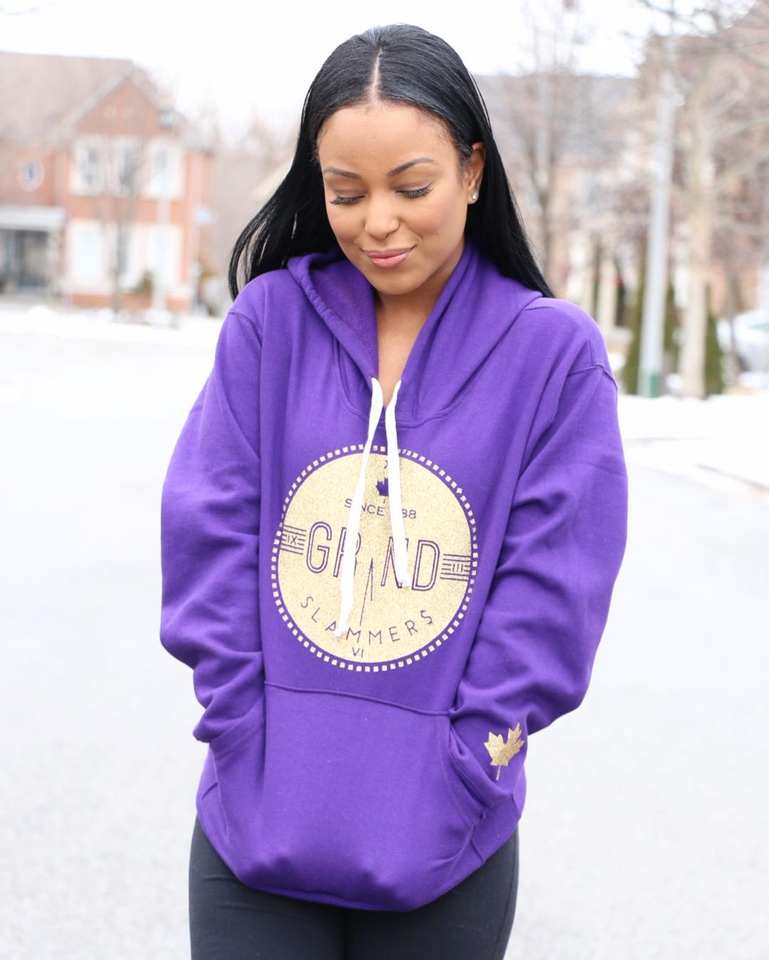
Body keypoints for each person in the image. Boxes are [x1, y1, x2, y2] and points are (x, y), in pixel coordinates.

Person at [159, 22, 629, 960]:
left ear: (472, 170)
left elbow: (553, 595)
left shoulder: (552, 356)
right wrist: (239, 730)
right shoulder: (271, 324)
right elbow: (209, 534)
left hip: (447, 843)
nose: (377, 221)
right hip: (255, 824)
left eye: (411, 187)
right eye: (346, 192)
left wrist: (468, 768)